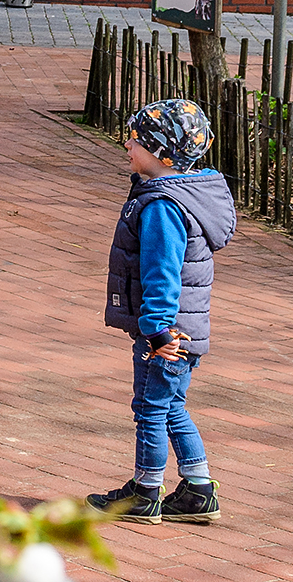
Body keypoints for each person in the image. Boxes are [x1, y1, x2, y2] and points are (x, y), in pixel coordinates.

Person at [87, 97, 236, 527]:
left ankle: (145, 491)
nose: (127, 147)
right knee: (171, 405)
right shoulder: (189, 195)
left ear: (162, 153)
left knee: (150, 408)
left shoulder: (162, 207)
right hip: (188, 329)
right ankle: (198, 489)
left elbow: (162, 274)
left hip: (168, 334)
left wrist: (157, 332)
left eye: (135, 141)